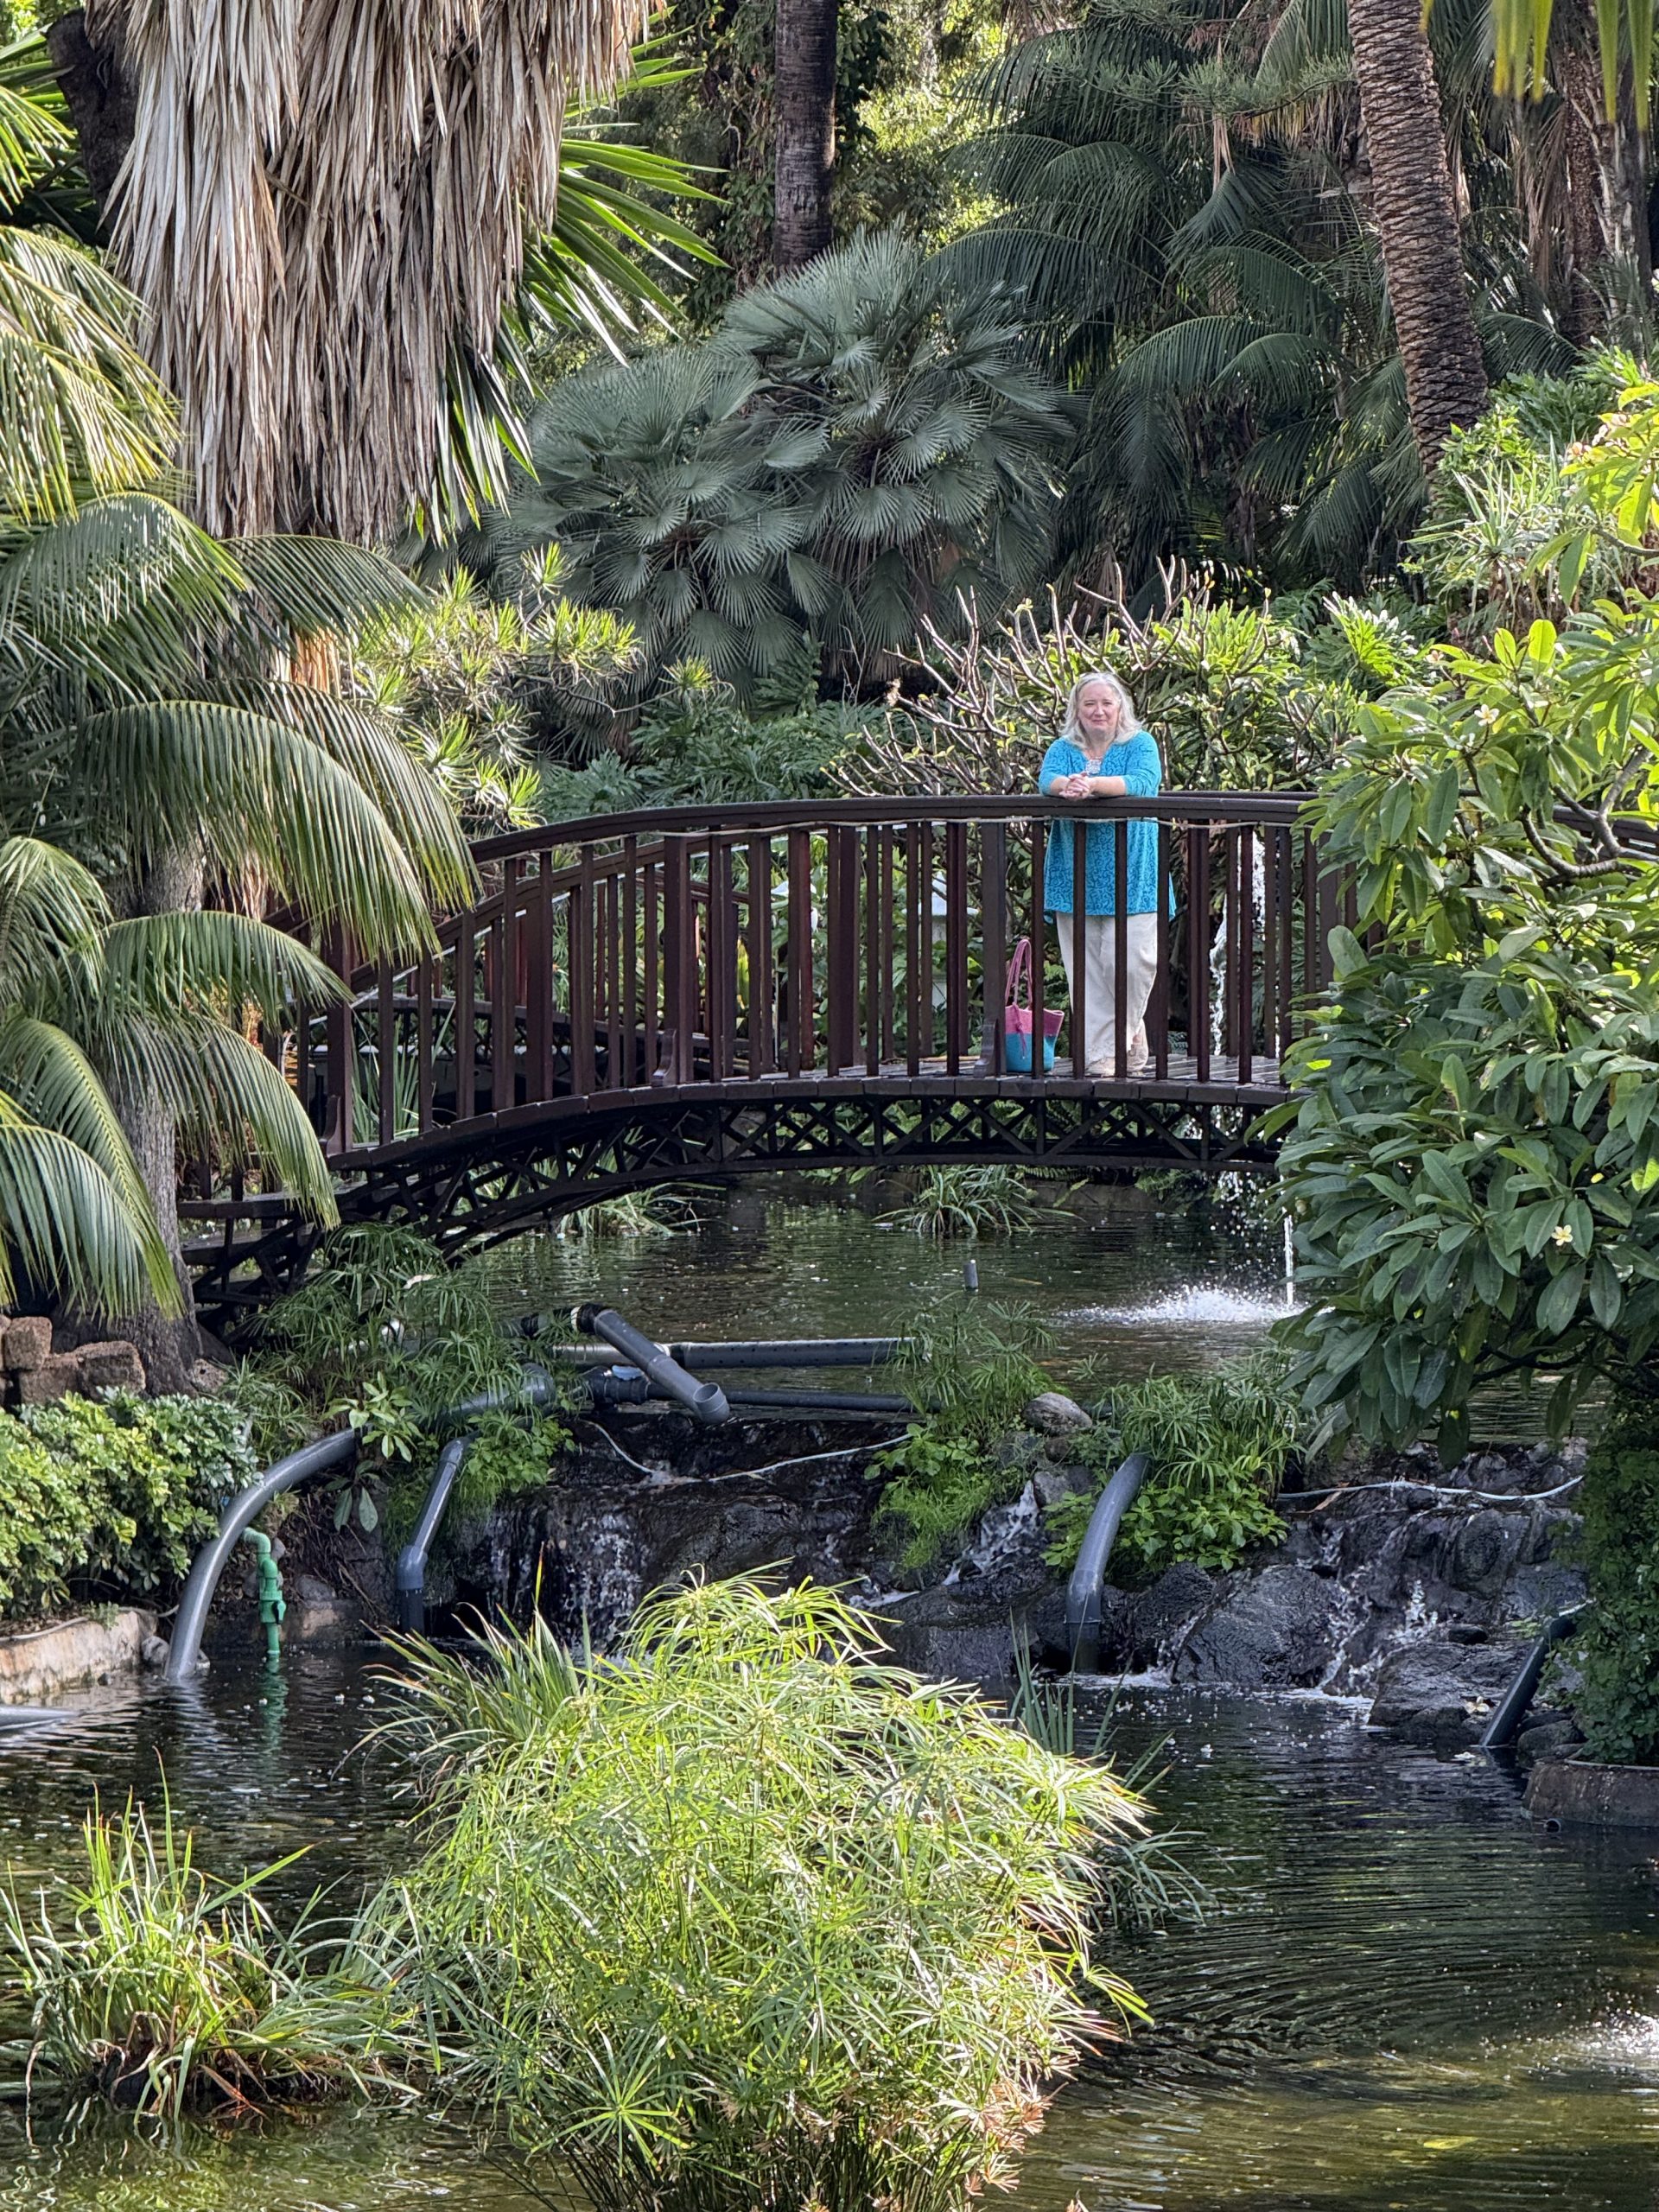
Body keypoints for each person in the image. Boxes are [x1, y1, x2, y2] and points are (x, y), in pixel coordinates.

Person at [1038, 670, 1163, 1077]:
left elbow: (1143, 783)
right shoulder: (1064, 747)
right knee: (1086, 969)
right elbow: (1047, 780)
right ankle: (1103, 1056)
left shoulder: (1140, 744)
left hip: (1133, 871)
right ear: (1077, 708)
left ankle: (1122, 1041)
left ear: (1120, 708)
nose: (1098, 711)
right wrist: (1066, 786)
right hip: (1074, 871)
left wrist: (1092, 787)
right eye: (1089, 703)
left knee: (1132, 962)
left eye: (1106, 703)